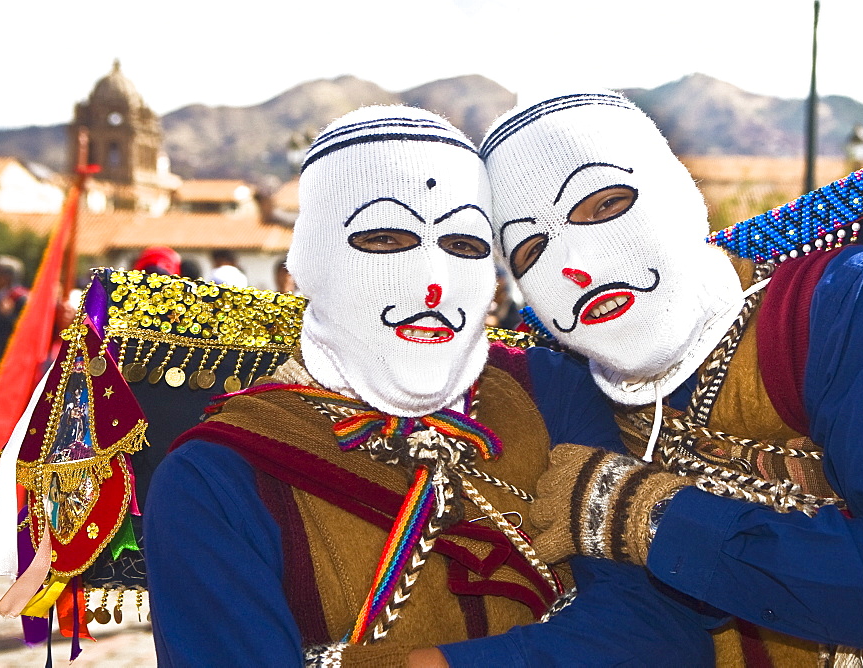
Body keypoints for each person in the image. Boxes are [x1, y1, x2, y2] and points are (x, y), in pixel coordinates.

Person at [144, 106, 715, 667]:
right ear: (312, 262)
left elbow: (661, 628)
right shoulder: (215, 478)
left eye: (464, 246)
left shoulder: (547, 391)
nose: (434, 286)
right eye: (386, 240)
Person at [479, 91, 863, 664]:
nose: (574, 265)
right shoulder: (563, 383)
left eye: (603, 204)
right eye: (531, 249)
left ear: (677, 195)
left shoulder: (850, 304)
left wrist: (649, 515)